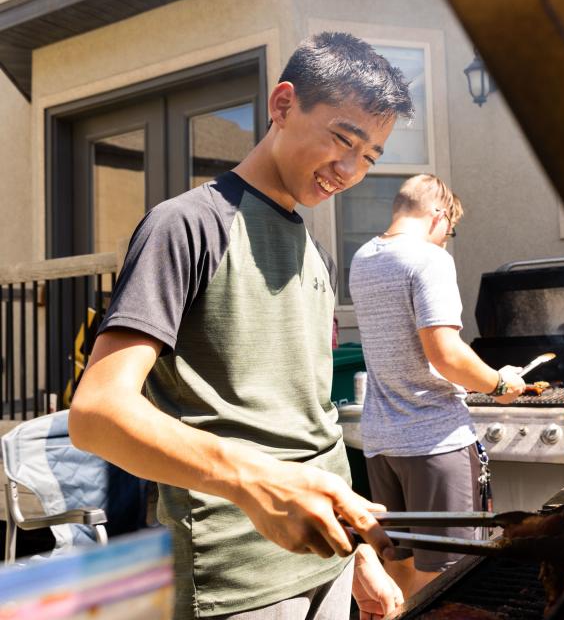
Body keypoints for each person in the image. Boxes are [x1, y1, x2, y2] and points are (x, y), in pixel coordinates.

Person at [69, 32, 414, 620]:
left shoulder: (314, 252)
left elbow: (310, 420)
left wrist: (357, 556)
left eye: (370, 158)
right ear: (283, 106)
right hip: (231, 582)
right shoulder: (186, 225)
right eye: (342, 139)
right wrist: (255, 478)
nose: (350, 169)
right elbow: (97, 414)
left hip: (325, 563)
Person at [348, 174, 525, 598]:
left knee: (400, 570)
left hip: (381, 444)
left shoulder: (363, 257)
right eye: (451, 229)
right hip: (435, 442)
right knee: (450, 581)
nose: (449, 239)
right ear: (438, 215)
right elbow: (444, 354)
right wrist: (499, 382)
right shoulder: (429, 259)